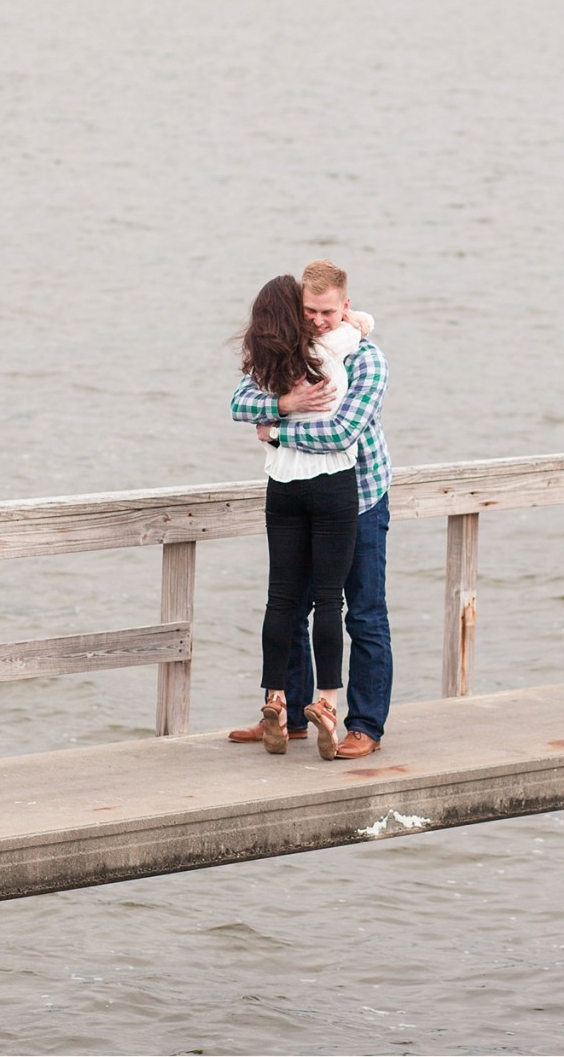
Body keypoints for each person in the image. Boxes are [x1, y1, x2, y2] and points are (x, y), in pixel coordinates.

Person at [230, 259, 392, 760]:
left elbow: (342, 432)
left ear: (346, 307)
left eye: (327, 311)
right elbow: (239, 402)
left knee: (362, 614)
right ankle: (291, 712)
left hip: (360, 497)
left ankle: (364, 725)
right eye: (309, 311)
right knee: (291, 605)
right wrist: (284, 402)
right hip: (302, 496)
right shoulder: (291, 351)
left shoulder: (368, 360)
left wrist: (277, 429)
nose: (318, 320)